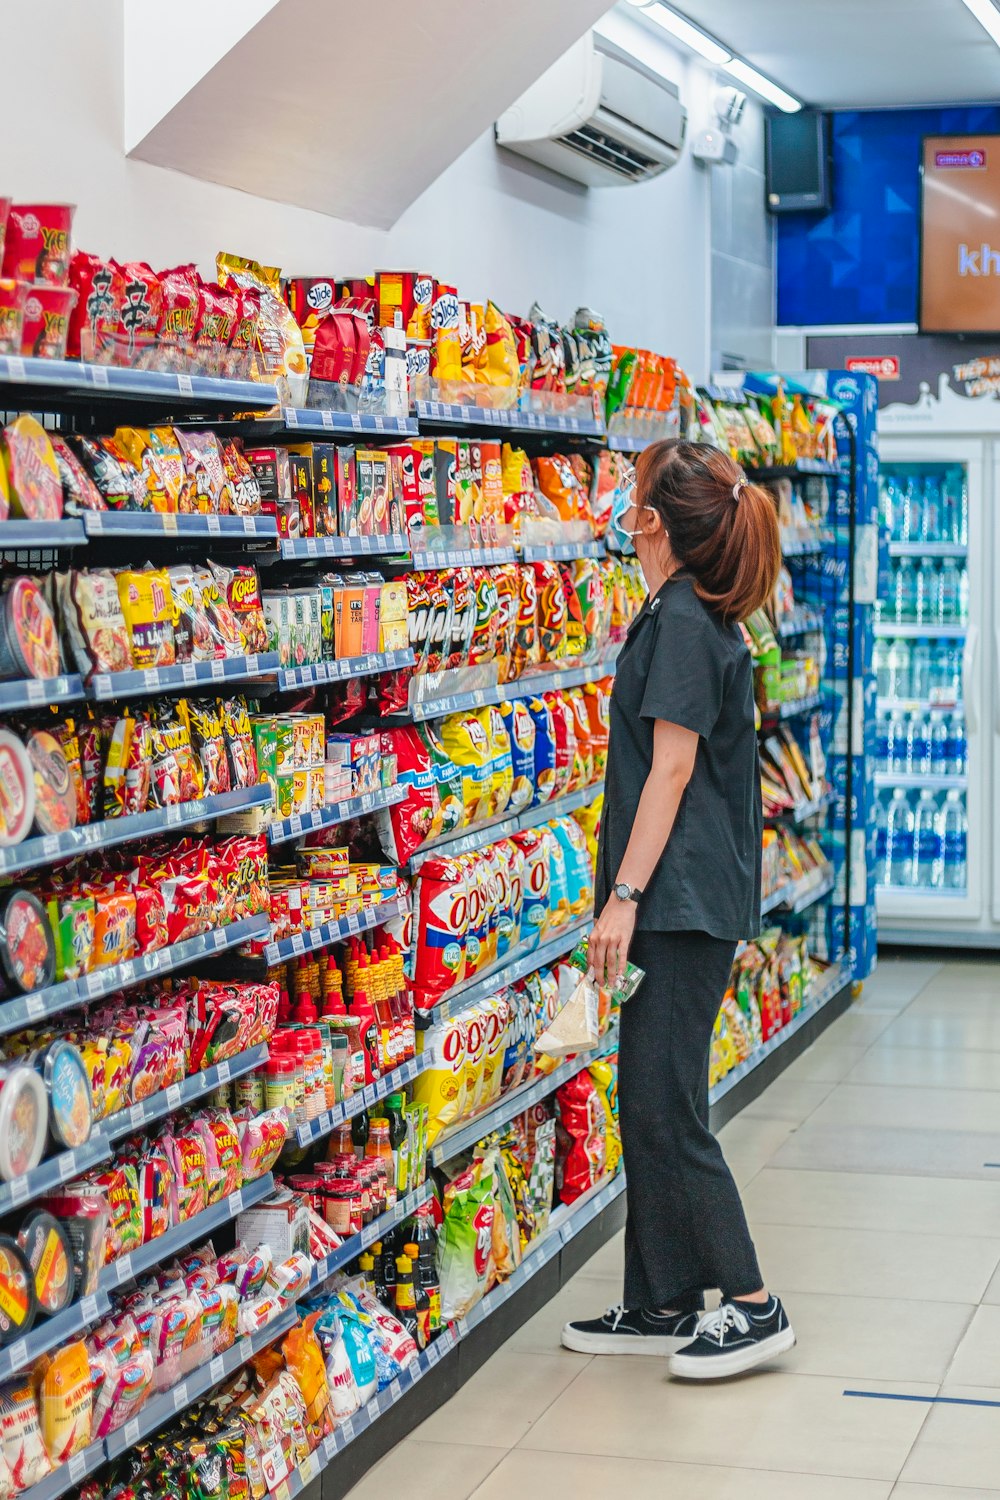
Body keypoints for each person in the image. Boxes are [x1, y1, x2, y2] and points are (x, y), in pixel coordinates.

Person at [561, 439, 794, 1380]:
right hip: (677, 891)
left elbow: (671, 768)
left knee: (667, 1105)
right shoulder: (679, 610)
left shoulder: (693, 624)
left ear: (654, 521)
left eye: (635, 487)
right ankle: (662, 1299)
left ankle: (752, 1302)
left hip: (681, 898)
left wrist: (623, 895)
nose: (621, 497)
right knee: (647, 1096)